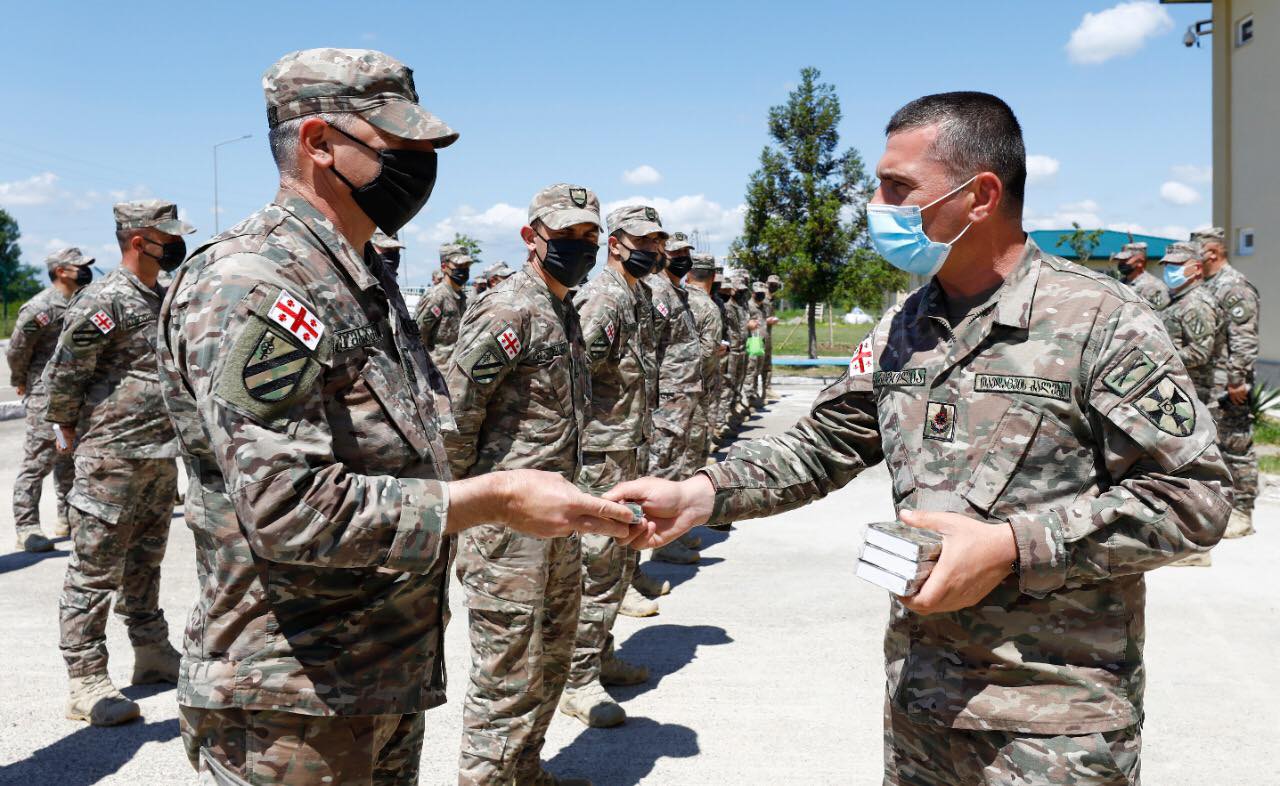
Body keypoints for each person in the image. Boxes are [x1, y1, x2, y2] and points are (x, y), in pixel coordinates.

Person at [610, 91, 1231, 785]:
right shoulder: (905, 324)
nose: (875, 203)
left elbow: (1197, 498)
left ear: (980, 196)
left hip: (1056, 725)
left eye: (897, 186)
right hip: (921, 704)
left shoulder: (1101, 320)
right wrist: (703, 492)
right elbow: (826, 440)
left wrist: (1012, 547)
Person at [157, 51, 636, 785]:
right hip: (291, 697)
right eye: (399, 143)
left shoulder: (357, 276)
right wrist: (492, 499)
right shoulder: (253, 280)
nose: (420, 164)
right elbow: (287, 507)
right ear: (318, 142)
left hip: (377, 673)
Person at [446, 183, 613, 785]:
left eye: (589, 235)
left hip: (556, 520)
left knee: (553, 656)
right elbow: (455, 417)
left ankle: (525, 770)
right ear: (531, 237)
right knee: (506, 679)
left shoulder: (565, 310)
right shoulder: (508, 310)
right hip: (505, 529)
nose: (580, 245)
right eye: (565, 235)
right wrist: (462, 514)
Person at [44, 200, 194, 726]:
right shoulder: (105, 300)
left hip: (158, 454)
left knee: (145, 562)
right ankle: (85, 678)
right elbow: (66, 370)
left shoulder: (163, 295)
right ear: (138, 241)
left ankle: (151, 651)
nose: (175, 245)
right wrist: (65, 426)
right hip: (112, 456)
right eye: (166, 237)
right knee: (94, 570)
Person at [552, 204, 666, 731]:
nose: (653, 250)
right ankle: (577, 680)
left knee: (618, 562)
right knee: (596, 569)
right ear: (616, 244)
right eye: (642, 241)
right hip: (601, 457)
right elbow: (576, 378)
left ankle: (601, 655)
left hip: (627, 451)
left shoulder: (635, 295)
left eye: (656, 242)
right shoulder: (604, 299)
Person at [7, 247, 92, 552]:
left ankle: (67, 517)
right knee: (38, 461)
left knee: (68, 457)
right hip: (45, 396)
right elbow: (17, 349)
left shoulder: (86, 301)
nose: (85, 271)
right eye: (78, 266)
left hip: (76, 394)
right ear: (60, 271)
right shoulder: (40, 308)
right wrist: (20, 380)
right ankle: (27, 526)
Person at [1195, 226, 1261, 538]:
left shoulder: (1233, 287)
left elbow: (1244, 338)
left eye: (1196, 251)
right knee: (1215, 447)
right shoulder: (1207, 285)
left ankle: (1243, 513)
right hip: (1209, 382)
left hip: (1228, 384)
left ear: (1212, 252)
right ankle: (1220, 507)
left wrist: (1237, 380)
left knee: (1236, 446)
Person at [681, 252, 725, 472]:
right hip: (697, 388)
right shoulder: (709, 307)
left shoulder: (675, 298)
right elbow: (707, 354)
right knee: (693, 448)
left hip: (667, 388)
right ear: (713, 277)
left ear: (688, 274)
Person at [415, 242, 472, 369]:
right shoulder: (437, 296)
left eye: (466, 265)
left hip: (456, 367)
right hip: (438, 370)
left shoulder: (463, 297)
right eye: (458, 265)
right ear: (444, 267)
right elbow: (418, 336)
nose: (463, 269)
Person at [1114, 241, 1170, 311]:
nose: (1121, 263)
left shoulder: (1155, 287)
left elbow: (1160, 314)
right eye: (1120, 260)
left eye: (1125, 260)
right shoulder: (1119, 283)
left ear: (1140, 262)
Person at [763, 274, 782, 394]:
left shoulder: (772, 299)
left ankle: (767, 389)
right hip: (758, 336)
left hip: (768, 335)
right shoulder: (761, 297)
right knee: (755, 365)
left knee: (767, 363)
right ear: (767, 284)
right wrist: (766, 321)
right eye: (772, 284)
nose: (774, 287)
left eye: (776, 285)